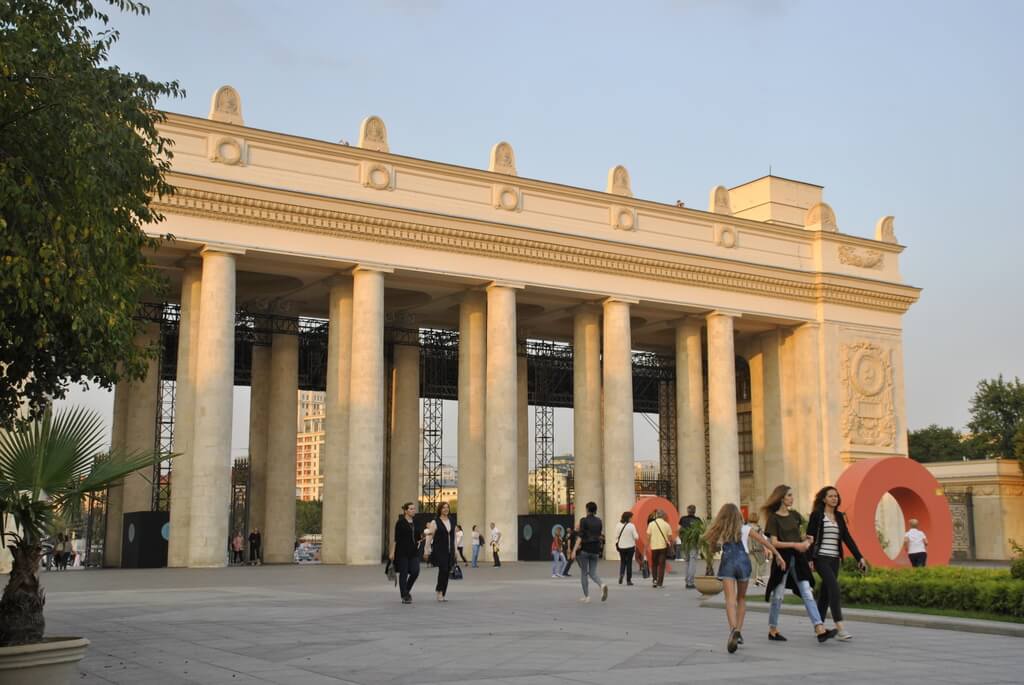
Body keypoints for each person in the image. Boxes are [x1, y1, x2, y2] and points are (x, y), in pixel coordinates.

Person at [705, 503, 785, 654]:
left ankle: (733, 630)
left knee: (729, 599)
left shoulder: (721, 530)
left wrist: (714, 546)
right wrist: (778, 555)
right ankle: (739, 630)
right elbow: (764, 542)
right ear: (738, 516)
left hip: (728, 562)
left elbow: (711, 546)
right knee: (741, 598)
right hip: (743, 562)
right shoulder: (746, 529)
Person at [762, 484, 837, 643]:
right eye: (789, 495)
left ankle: (819, 629)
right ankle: (773, 629)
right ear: (781, 498)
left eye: (792, 495)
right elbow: (774, 543)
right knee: (778, 596)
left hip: (799, 560)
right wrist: (795, 545)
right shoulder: (773, 518)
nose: (792, 498)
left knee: (807, 593)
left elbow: (801, 535)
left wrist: (806, 540)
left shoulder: (795, 515)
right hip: (782, 560)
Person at [808, 485, 868, 641]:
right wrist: (809, 559)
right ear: (823, 499)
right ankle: (840, 627)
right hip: (820, 558)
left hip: (835, 559)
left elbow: (847, 538)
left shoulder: (840, 516)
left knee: (826, 593)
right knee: (834, 587)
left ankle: (819, 626)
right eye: (830, 496)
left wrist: (859, 557)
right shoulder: (817, 515)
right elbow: (810, 538)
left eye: (836, 496)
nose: (834, 498)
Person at [571, 501, 608, 603]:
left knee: (584, 573)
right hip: (596, 550)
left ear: (587, 509)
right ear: (595, 510)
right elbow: (599, 535)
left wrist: (574, 550)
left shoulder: (584, 520)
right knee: (592, 572)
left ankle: (587, 597)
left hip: (586, 549)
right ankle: (602, 585)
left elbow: (580, 536)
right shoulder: (599, 521)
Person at [388, 501, 422, 604]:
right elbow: (396, 539)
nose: (413, 510)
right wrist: (392, 552)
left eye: (414, 508)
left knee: (415, 571)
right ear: (406, 511)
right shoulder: (400, 523)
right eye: (411, 509)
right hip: (402, 552)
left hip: (413, 552)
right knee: (403, 574)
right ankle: (404, 595)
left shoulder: (415, 522)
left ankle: (406, 590)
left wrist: (424, 536)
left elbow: (417, 537)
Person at [426, 501, 456, 602]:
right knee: (443, 570)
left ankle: (443, 592)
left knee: (447, 572)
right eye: (443, 508)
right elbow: (430, 536)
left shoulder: (452, 520)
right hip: (440, 550)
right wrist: (427, 550)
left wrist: (455, 550)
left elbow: (454, 537)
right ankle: (439, 591)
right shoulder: (435, 521)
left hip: (450, 550)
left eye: (447, 507)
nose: (446, 509)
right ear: (440, 509)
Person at [646, 510, 673, 588]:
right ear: (663, 516)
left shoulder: (651, 524)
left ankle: (654, 580)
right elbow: (670, 537)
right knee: (661, 565)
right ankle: (660, 583)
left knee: (654, 564)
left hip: (654, 547)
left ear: (657, 515)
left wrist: (647, 546)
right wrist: (670, 544)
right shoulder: (666, 524)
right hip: (663, 547)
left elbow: (648, 536)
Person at [678, 505, 701, 589]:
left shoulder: (683, 519)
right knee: (692, 562)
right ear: (694, 511)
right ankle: (690, 582)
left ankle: (687, 581)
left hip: (685, 543)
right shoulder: (698, 520)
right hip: (694, 543)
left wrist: (682, 540)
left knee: (687, 561)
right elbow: (700, 533)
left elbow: (679, 530)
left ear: (688, 511)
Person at [613, 511, 639, 585]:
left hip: (621, 546)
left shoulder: (618, 525)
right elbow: (636, 537)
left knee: (623, 561)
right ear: (629, 518)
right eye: (631, 517)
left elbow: (616, 536)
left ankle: (621, 574)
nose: (632, 519)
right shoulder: (631, 526)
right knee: (629, 563)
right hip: (630, 547)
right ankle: (628, 580)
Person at [747, 512, 768, 586]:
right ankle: (760, 578)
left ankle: (754, 581)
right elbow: (762, 539)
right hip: (759, 549)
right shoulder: (759, 528)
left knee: (753, 565)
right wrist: (766, 549)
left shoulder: (746, 527)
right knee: (762, 563)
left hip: (750, 549)